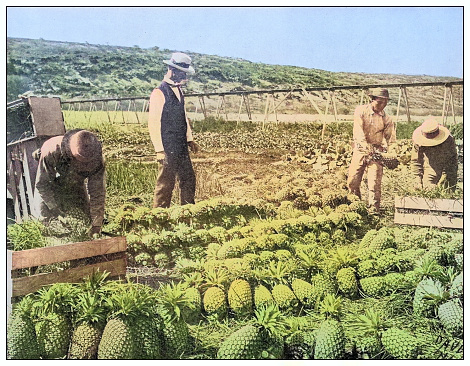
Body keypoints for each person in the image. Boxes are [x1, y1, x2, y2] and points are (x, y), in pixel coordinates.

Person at [32, 129, 106, 237]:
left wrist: (96, 225)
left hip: (76, 183)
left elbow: (97, 193)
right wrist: (54, 209)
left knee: (85, 221)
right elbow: (42, 185)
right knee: (45, 221)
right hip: (50, 183)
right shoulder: (52, 150)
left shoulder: (98, 162)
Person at [148, 52, 199, 208]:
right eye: (182, 73)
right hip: (167, 145)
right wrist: (159, 150)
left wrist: (189, 139)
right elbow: (154, 123)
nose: (184, 77)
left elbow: (183, 117)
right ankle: (159, 217)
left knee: (188, 178)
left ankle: (187, 213)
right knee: (166, 183)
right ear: (172, 70)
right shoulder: (159, 92)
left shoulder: (179, 90)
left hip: (181, 145)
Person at [347, 88, 397, 213]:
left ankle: (374, 210)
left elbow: (391, 138)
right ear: (372, 100)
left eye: (385, 102)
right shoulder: (361, 111)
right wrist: (365, 147)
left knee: (374, 183)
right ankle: (355, 206)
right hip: (360, 150)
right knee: (352, 181)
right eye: (379, 102)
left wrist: (390, 152)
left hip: (376, 152)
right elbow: (358, 131)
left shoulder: (387, 119)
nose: (382, 105)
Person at [411, 117, 458, 191]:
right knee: (428, 189)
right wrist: (417, 178)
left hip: (447, 168)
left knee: (447, 192)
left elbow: (452, 161)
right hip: (430, 167)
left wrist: (445, 178)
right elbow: (416, 161)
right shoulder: (418, 141)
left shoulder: (448, 140)